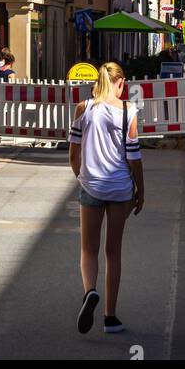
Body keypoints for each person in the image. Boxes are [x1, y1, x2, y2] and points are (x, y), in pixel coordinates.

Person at [68, 61, 143, 336]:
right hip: (120, 188)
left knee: (88, 249)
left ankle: (90, 291)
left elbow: (74, 152)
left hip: (91, 185)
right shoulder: (128, 111)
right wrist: (141, 190)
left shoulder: (84, 108)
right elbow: (134, 156)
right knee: (113, 253)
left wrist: (81, 175)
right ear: (120, 82)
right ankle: (110, 318)